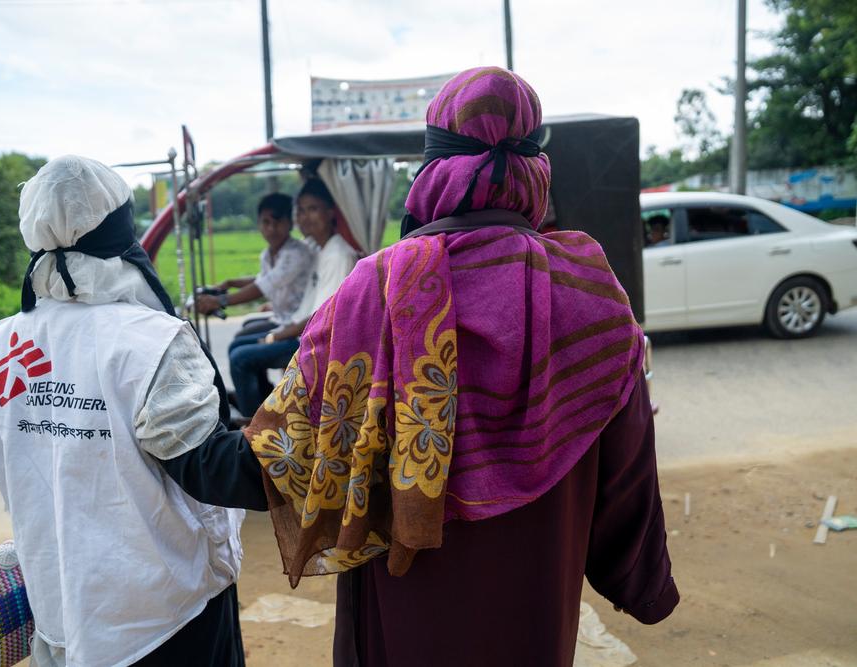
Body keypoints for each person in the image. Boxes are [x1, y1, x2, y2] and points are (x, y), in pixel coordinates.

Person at [163, 67, 679, 667]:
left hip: (406, 622)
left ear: (434, 169)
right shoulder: (591, 292)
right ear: (535, 169)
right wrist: (640, 582)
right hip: (535, 618)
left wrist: (172, 441)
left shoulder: (376, 291)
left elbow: (281, 458)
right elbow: (627, 481)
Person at [0, 156, 246, 667]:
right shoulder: (149, 340)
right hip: (168, 616)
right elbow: (213, 470)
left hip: (61, 608)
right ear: (121, 228)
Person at [227, 177, 357, 419]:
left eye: (313, 209)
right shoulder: (317, 248)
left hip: (314, 343)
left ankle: (254, 425)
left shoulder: (338, 255)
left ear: (330, 213)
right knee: (238, 345)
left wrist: (274, 336)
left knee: (240, 358)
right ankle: (264, 409)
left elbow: (322, 318)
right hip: (300, 330)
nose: (306, 217)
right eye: (301, 210)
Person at [193, 193, 313, 339]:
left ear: (290, 224)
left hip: (297, 327)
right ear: (259, 224)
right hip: (281, 319)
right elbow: (262, 279)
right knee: (242, 334)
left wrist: (220, 301)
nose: (272, 229)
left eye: (278, 222)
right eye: (266, 222)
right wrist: (230, 283)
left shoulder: (296, 254)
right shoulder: (268, 255)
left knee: (240, 352)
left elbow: (263, 286)